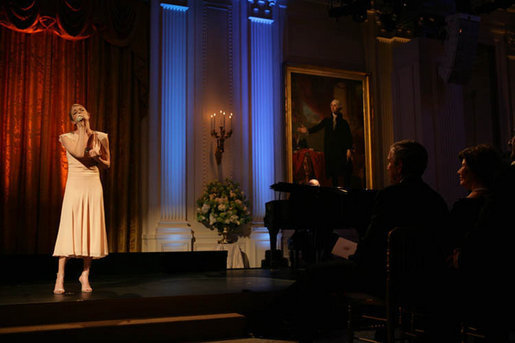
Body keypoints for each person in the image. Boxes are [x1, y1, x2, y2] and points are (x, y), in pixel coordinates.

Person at [276, 140, 449, 341]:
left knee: (315, 273)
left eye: (390, 162)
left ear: (400, 166)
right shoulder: (436, 201)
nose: (387, 167)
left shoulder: (390, 196)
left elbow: (371, 247)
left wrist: (347, 251)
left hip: (383, 279)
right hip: (426, 281)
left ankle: (297, 329)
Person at [52, 104, 110, 294]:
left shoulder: (101, 137)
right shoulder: (66, 137)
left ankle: (85, 275)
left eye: (81, 110)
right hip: (75, 185)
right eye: (75, 112)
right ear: (72, 120)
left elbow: (107, 164)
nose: (79, 113)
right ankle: (60, 276)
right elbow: (78, 153)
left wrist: (98, 158)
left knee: (90, 228)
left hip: (93, 184)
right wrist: (82, 129)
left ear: (89, 113)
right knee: (70, 227)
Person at [297, 99, 352, 188]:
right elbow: (318, 127)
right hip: (330, 150)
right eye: (331, 105)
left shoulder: (344, 123)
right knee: (332, 173)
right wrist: (307, 130)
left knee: (341, 172)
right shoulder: (327, 120)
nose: (332, 107)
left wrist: (348, 149)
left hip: (340, 151)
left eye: (335, 105)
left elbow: (348, 136)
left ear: (339, 107)